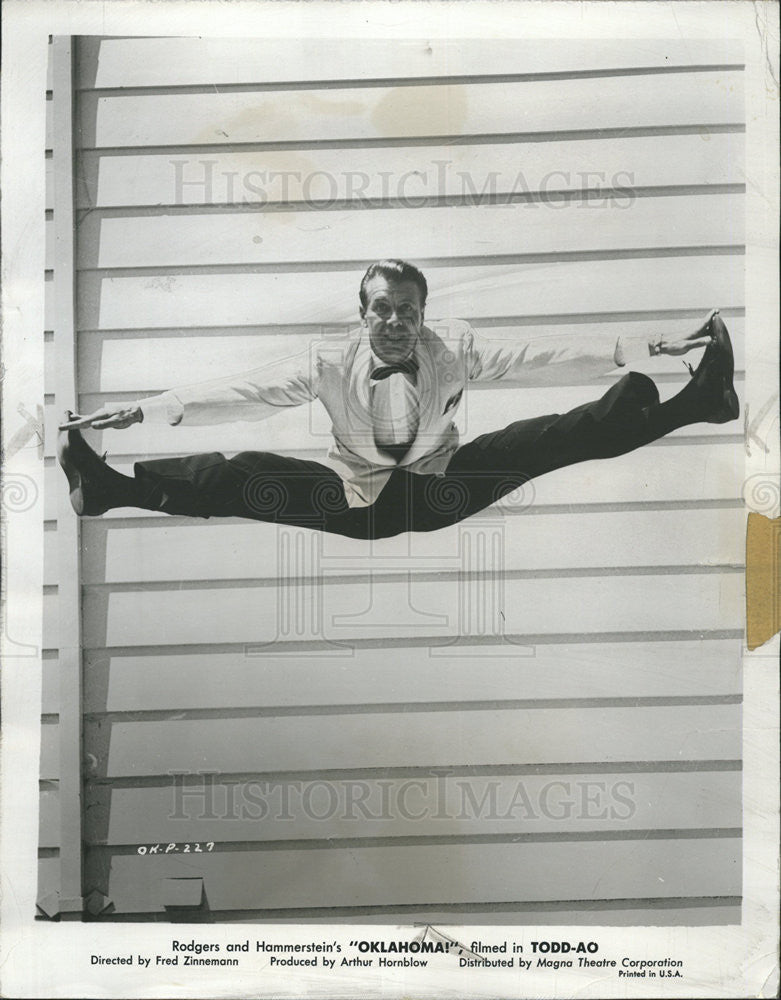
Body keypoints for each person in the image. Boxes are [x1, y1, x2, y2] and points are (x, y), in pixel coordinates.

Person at [58, 258, 738, 539]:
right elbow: (245, 393)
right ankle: (113, 488)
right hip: (356, 500)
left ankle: (694, 401)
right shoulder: (325, 363)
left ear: (422, 316)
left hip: (439, 489)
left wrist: (652, 346)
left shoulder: (453, 352)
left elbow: (543, 357)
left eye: (406, 311)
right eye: (381, 310)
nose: (394, 323)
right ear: (362, 315)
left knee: (542, 439)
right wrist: (146, 409)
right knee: (245, 474)